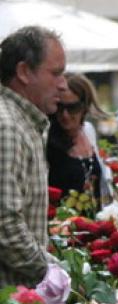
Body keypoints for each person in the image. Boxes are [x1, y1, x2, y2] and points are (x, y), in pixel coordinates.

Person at [0, 26, 67, 287]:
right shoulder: (8, 126)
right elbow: (4, 223)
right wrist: (52, 274)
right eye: (56, 73)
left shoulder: (22, 122)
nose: (63, 84)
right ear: (24, 72)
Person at [46, 73, 109, 199]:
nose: (65, 115)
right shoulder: (47, 139)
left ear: (84, 106)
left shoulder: (88, 130)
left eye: (72, 108)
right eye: (60, 107)